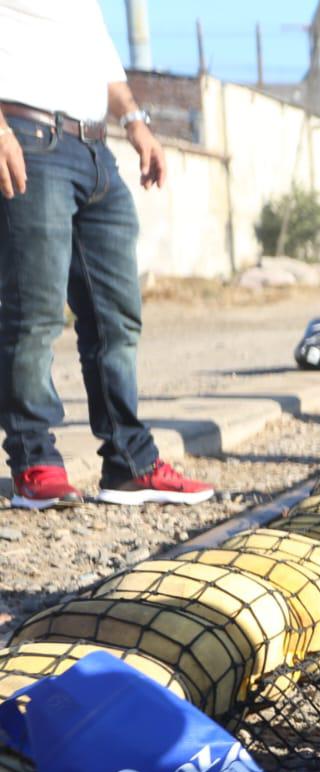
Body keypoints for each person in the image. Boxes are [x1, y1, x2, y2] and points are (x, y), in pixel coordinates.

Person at [0, 0, 214, 510]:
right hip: (29, 136)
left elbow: (99, 53)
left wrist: (136, 123)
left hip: (96, 149)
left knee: (117, 317)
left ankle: (129, 464)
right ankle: (36, 460)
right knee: (35, 315)